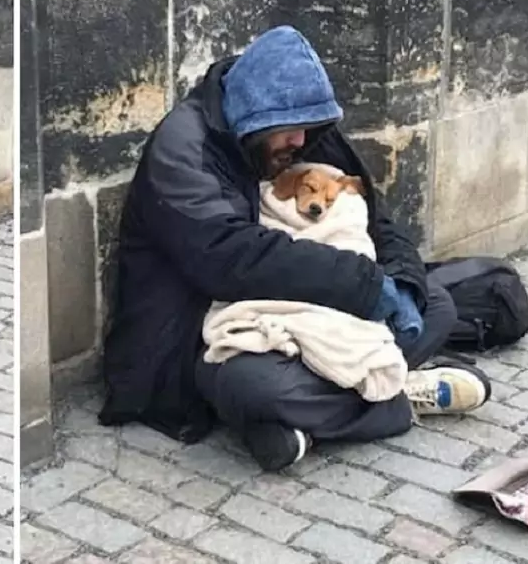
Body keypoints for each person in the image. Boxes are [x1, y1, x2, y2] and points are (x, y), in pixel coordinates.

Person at [97, 25, 492, 471]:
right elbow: (229, 258)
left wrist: (399, 282)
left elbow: (374, 216)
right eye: (289, 131)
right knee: (255, 385)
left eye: (308, 130)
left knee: (434, 302)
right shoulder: (182, 147)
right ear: (253, 115)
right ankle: (395, 399)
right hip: (197, 333)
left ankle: (303, 421)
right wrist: (361, 284)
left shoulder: (304, 130)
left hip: (303, 310)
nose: (300, 143)